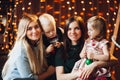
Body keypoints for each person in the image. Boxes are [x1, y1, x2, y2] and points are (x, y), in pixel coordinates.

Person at [2, 13, 48, 80]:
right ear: (24, 31)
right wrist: (49, 72)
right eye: (29, 28)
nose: (34, 31)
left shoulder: (36, 44)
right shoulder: (21, 50)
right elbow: (28, 78)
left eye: (36, 27)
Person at [72, 16, 111, 80]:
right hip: (86, 65)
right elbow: (81, 54)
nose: (88, 32)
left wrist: (94, 56)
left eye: (91, 30)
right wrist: (83, 55)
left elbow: (107, 57)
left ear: (99, 30)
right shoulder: (87, 41)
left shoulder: (103, 43)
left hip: (97, 68)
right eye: (88, 30)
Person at [55, 16, 86, 80]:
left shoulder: (88, 45)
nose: (73, 32)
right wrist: (78, 74)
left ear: (82, 30)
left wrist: (95, 65)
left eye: (77, 28)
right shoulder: (61, 49)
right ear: (66, 31)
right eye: (69, 29)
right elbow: (59, 77)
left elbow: (112, 60)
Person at [38, 13, 64, 80]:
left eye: (53, 29)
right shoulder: (42, 39)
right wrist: (46, 51)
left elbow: (67, 42)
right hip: (49, 63)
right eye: (48, 32)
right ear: (42, 31)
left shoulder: (60, 31)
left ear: (55, 24)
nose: (51, 33)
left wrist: (61, 44)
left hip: (60, 59)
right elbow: (40, 54)